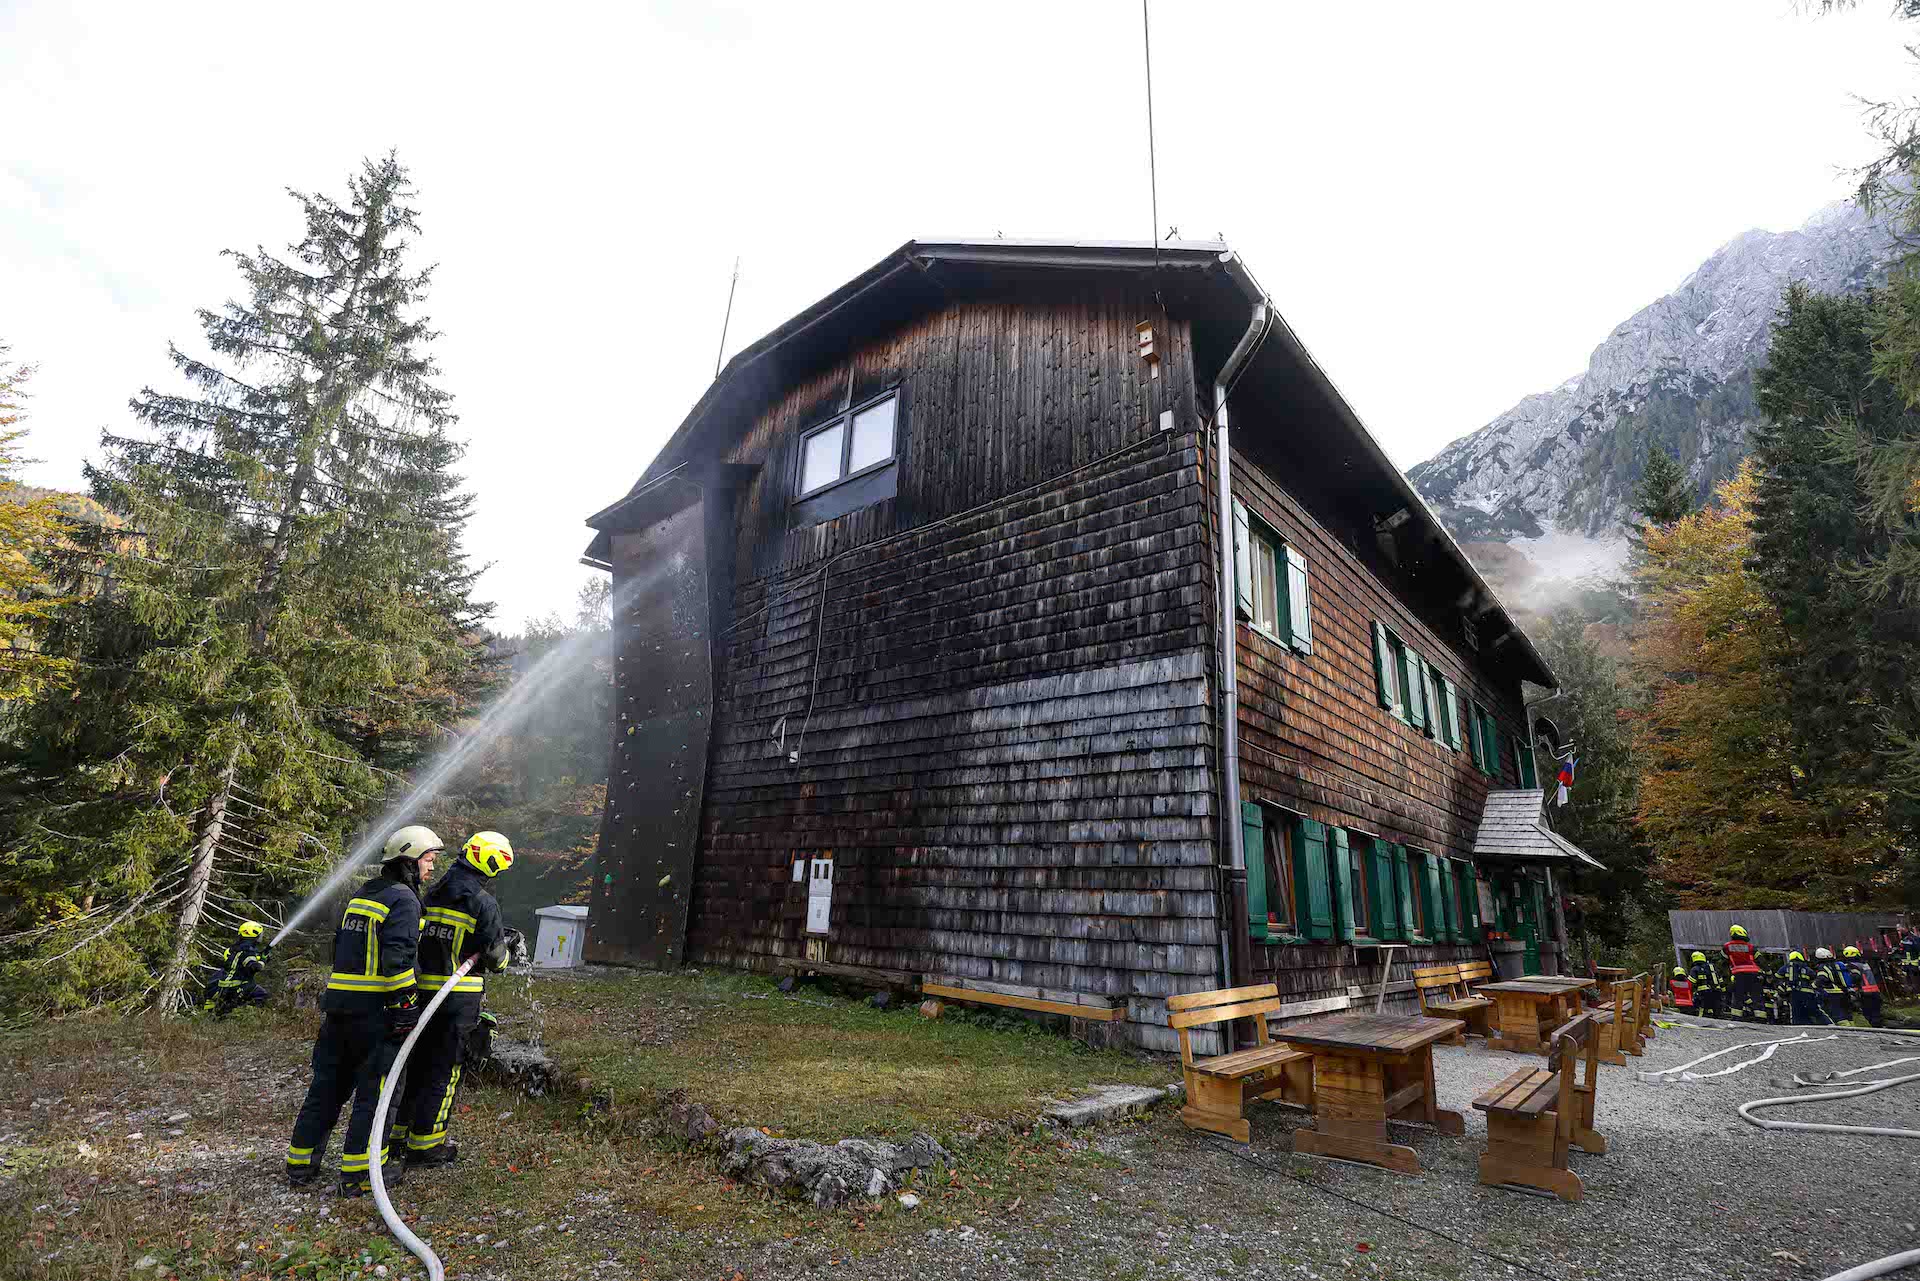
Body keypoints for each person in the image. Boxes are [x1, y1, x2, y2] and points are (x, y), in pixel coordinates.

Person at [285, 824, 440, 1196]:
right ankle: (359, 1174)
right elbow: (398, 959)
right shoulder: (404, 900)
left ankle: (301, 1163)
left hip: (339, 1010)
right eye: (428, 859)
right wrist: (405, 1006)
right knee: (378, 1093)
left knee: (327, 1087)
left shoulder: (364, 894)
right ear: (409, 860)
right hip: (377, 1014)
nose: (432, 867)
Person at [395, 830, 522, 1169]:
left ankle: (396, 1136)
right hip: (457, 999)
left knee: (412, 1065)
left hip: (420, 993)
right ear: (492, 864)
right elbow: (496, 960)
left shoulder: (431, 891)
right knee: (445, 1070)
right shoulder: (483, 902)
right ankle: (427, 1145)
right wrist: (508, 950)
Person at [200, 921, 271, 1017]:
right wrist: (263, 960)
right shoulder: (247, 950)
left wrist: (258, 956)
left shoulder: (235, 949)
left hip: (224, 987)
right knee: (262, 995)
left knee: (222, 1013)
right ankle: (251, 1019)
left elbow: (240, 962)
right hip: (237, 987)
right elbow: (256, 967)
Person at [1723, 924, 1764, 1021]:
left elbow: (1722, 962)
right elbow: (1761, 960)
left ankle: (1737, 1019)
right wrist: (1768, 972)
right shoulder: (1750, 947)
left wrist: (1726, 975)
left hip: (1738, 975)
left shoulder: (1727, 947)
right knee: (1756, 996)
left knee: (1738, 997)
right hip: (1753, 974)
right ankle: (1761, 1019)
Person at [1842, 945, 1884, 1028]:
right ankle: (1881, 1028)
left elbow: (1855, 978)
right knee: (1876, 1014)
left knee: (1869, 1015)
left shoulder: (1852, 966)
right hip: (1874, 991)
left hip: (1864, 993)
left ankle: (1878, 1031)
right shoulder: (1864, 964)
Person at [1781, 950, 1821, 1026]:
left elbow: (1777, 976)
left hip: (1793, 992)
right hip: (1807, 993)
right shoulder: (1806, 968)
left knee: (1795, 1010)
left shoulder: (1786, 967)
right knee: (1810, 1010)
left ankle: (1797, 1025)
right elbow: (1814, 976)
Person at [1812, 947, 1849, 1026]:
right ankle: (1853, 1029)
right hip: (1844, 992)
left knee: (1838, 1016)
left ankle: (1846, 1030)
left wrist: (1813, 986)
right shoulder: (1838, 965)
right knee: (1847, 1015)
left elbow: (1821, 978)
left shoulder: (1823, 967)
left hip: (1832, 994)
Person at [1688, 951, 1723, 1017]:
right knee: (1716, 1010)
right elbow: (1721, 980)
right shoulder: (1713, 967)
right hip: (1717, 991)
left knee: (1703, 1011)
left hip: (1704, 993)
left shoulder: (1695, 969)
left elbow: (1691, 982)